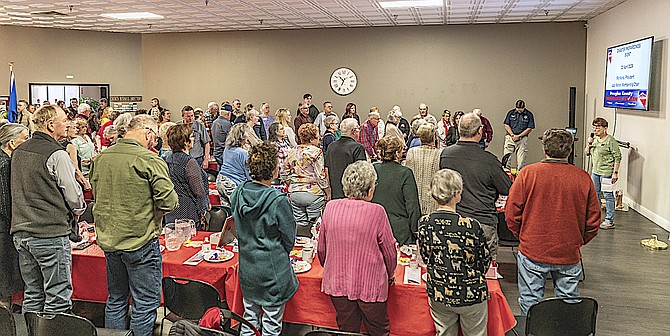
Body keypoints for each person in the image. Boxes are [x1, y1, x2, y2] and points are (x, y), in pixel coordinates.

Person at [90, 114, 178, 335]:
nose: (155, 142)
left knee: (116, 299)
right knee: (145, 304)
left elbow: (96, 193)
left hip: (109, 242)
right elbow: (169, 201)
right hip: (140, 242)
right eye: (155, 137)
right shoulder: (149, 159)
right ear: (148, 133)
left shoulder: (101, 158)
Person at [506, 128, 600, 316]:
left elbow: (511, 213)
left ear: (544, 149)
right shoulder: (583, 177)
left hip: (532, 249)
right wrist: (577, 241)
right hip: (568, 252)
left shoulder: (527, 174)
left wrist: (524, 236)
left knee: (530, 301)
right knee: (568, 302)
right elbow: (593, 221)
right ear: (570, 150)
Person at [11, 105, 85, 313]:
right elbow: (73, 196)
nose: (68, 123)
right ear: (51, 125)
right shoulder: (56, 154)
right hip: (49, 233)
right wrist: (78, 211)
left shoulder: (18, 151)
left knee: (33, 294)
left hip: (21, 231)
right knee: (57, 297)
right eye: (64, 120)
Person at [318, 161, 396, 336]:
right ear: (369, 190)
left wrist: (330, 267)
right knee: (379, 330)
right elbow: (390, 253)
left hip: (337, 281)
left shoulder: (330, 207)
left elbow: (322, 249)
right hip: (370, 285)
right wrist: (390, 275)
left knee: (346, 328)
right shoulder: (377, 212)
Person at [231, 142, 298, 336]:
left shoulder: (239, 193)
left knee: (249, 319)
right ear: (274, 169)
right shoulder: (278, 201)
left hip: (248, 268)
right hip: (272, 271)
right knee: (271, 324)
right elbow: (289, 239)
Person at [418, 169, 491, 336]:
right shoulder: (472, 225)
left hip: (439, 292)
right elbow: (484, 262)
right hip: (471, 294)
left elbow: (426, 256)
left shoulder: (424, 223)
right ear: (457, 194)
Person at [439, 113, 511, 261]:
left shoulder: (446, 155)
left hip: (453, 221)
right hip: (482, 222)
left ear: (459, 130)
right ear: (479, 132)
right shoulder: (489, 161)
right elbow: (507, 188)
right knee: (485, 274)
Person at [281, 124, 330, 237]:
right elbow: (320, 176)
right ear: (312, 139)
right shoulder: (316, 152)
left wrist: (292, 182)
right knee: (314, 226)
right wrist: (328, 192)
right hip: (313, 193)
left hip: (295, 193)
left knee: (300, 226)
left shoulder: (292, 151)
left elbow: (283, 173)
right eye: (317, 137)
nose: (319, 139)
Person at [0, 123, 29, 307]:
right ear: (11, 143)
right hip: (4, 229)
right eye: (25, 139)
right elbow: (5, 203)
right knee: (5, 281)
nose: (28, 142)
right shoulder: (5, 164)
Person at [371, 136, 420, 245]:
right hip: (400, 231)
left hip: (375, 227)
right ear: (397, 153)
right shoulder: (405, 173)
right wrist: (415, 230)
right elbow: (412, 204)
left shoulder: (373, 169)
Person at [164, 124, 210, 227]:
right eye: (192, 136)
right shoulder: (189, 162)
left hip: (171, 211)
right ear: (185, 141)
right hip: (189, 212)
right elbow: (198, 190)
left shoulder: (168, 159)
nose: (194, 139)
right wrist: (204, 209)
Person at [586, 117, 622, 229]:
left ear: (605, 128)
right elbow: (587, 152)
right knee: (595, 195)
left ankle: (609, 220)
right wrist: (589, 143)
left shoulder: (610, 141)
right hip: (595, 172)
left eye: (598, 127)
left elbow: (618, 157)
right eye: (594, 127)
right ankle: (596, 218)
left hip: (607, 172)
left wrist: (615, 172)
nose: (595, 129)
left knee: (608, 196)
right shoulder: (595, 140)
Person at [324, 118, 366, 199]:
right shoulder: (357, 147)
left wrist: (329, 191)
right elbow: (362, 172)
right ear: (353, 131)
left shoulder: (331, 146)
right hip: (351, 193)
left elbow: (326, 169)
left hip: (335, 192)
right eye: (358, 129)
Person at [405, 123, 441, 215]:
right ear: (433, 137)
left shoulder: (411, 152)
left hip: (414, 198)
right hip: (432, 200)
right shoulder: (439, 154)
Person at [216, 123, 252, 207]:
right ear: (243, 136)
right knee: (238, 210)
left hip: (221, 180)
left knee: (227, 211)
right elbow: (248, 173)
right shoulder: (243, 153)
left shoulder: (227, 149)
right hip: (232, 183)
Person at [503, 100, 535, 169]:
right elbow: (506, 125)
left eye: (521, 108)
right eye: (518, 108)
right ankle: (506, 174)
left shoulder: (529, 114)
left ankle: (519, 175)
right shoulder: (511, 113)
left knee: (521, 159)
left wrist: (519, 136)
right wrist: (512, 135)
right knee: (507, 158)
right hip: (510, 137)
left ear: (524, 107)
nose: (519, 110)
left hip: (522, 139)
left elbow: (530, 128)